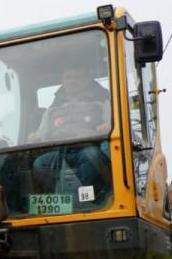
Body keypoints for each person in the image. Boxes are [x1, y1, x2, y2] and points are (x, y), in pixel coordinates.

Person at [28, 66, 112, 196]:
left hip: (88, 147)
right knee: (40, 163)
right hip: (59, 151)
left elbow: (111, 124)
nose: (72, 81)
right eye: (68, 77)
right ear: (63, 81)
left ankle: (90, 198)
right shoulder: (52, 109)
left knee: (92, 156)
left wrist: (106, 127)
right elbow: (42, 132)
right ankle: (55, 198)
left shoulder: (101, 103)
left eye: (78, 77)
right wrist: (35, 136)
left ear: (87, 80)